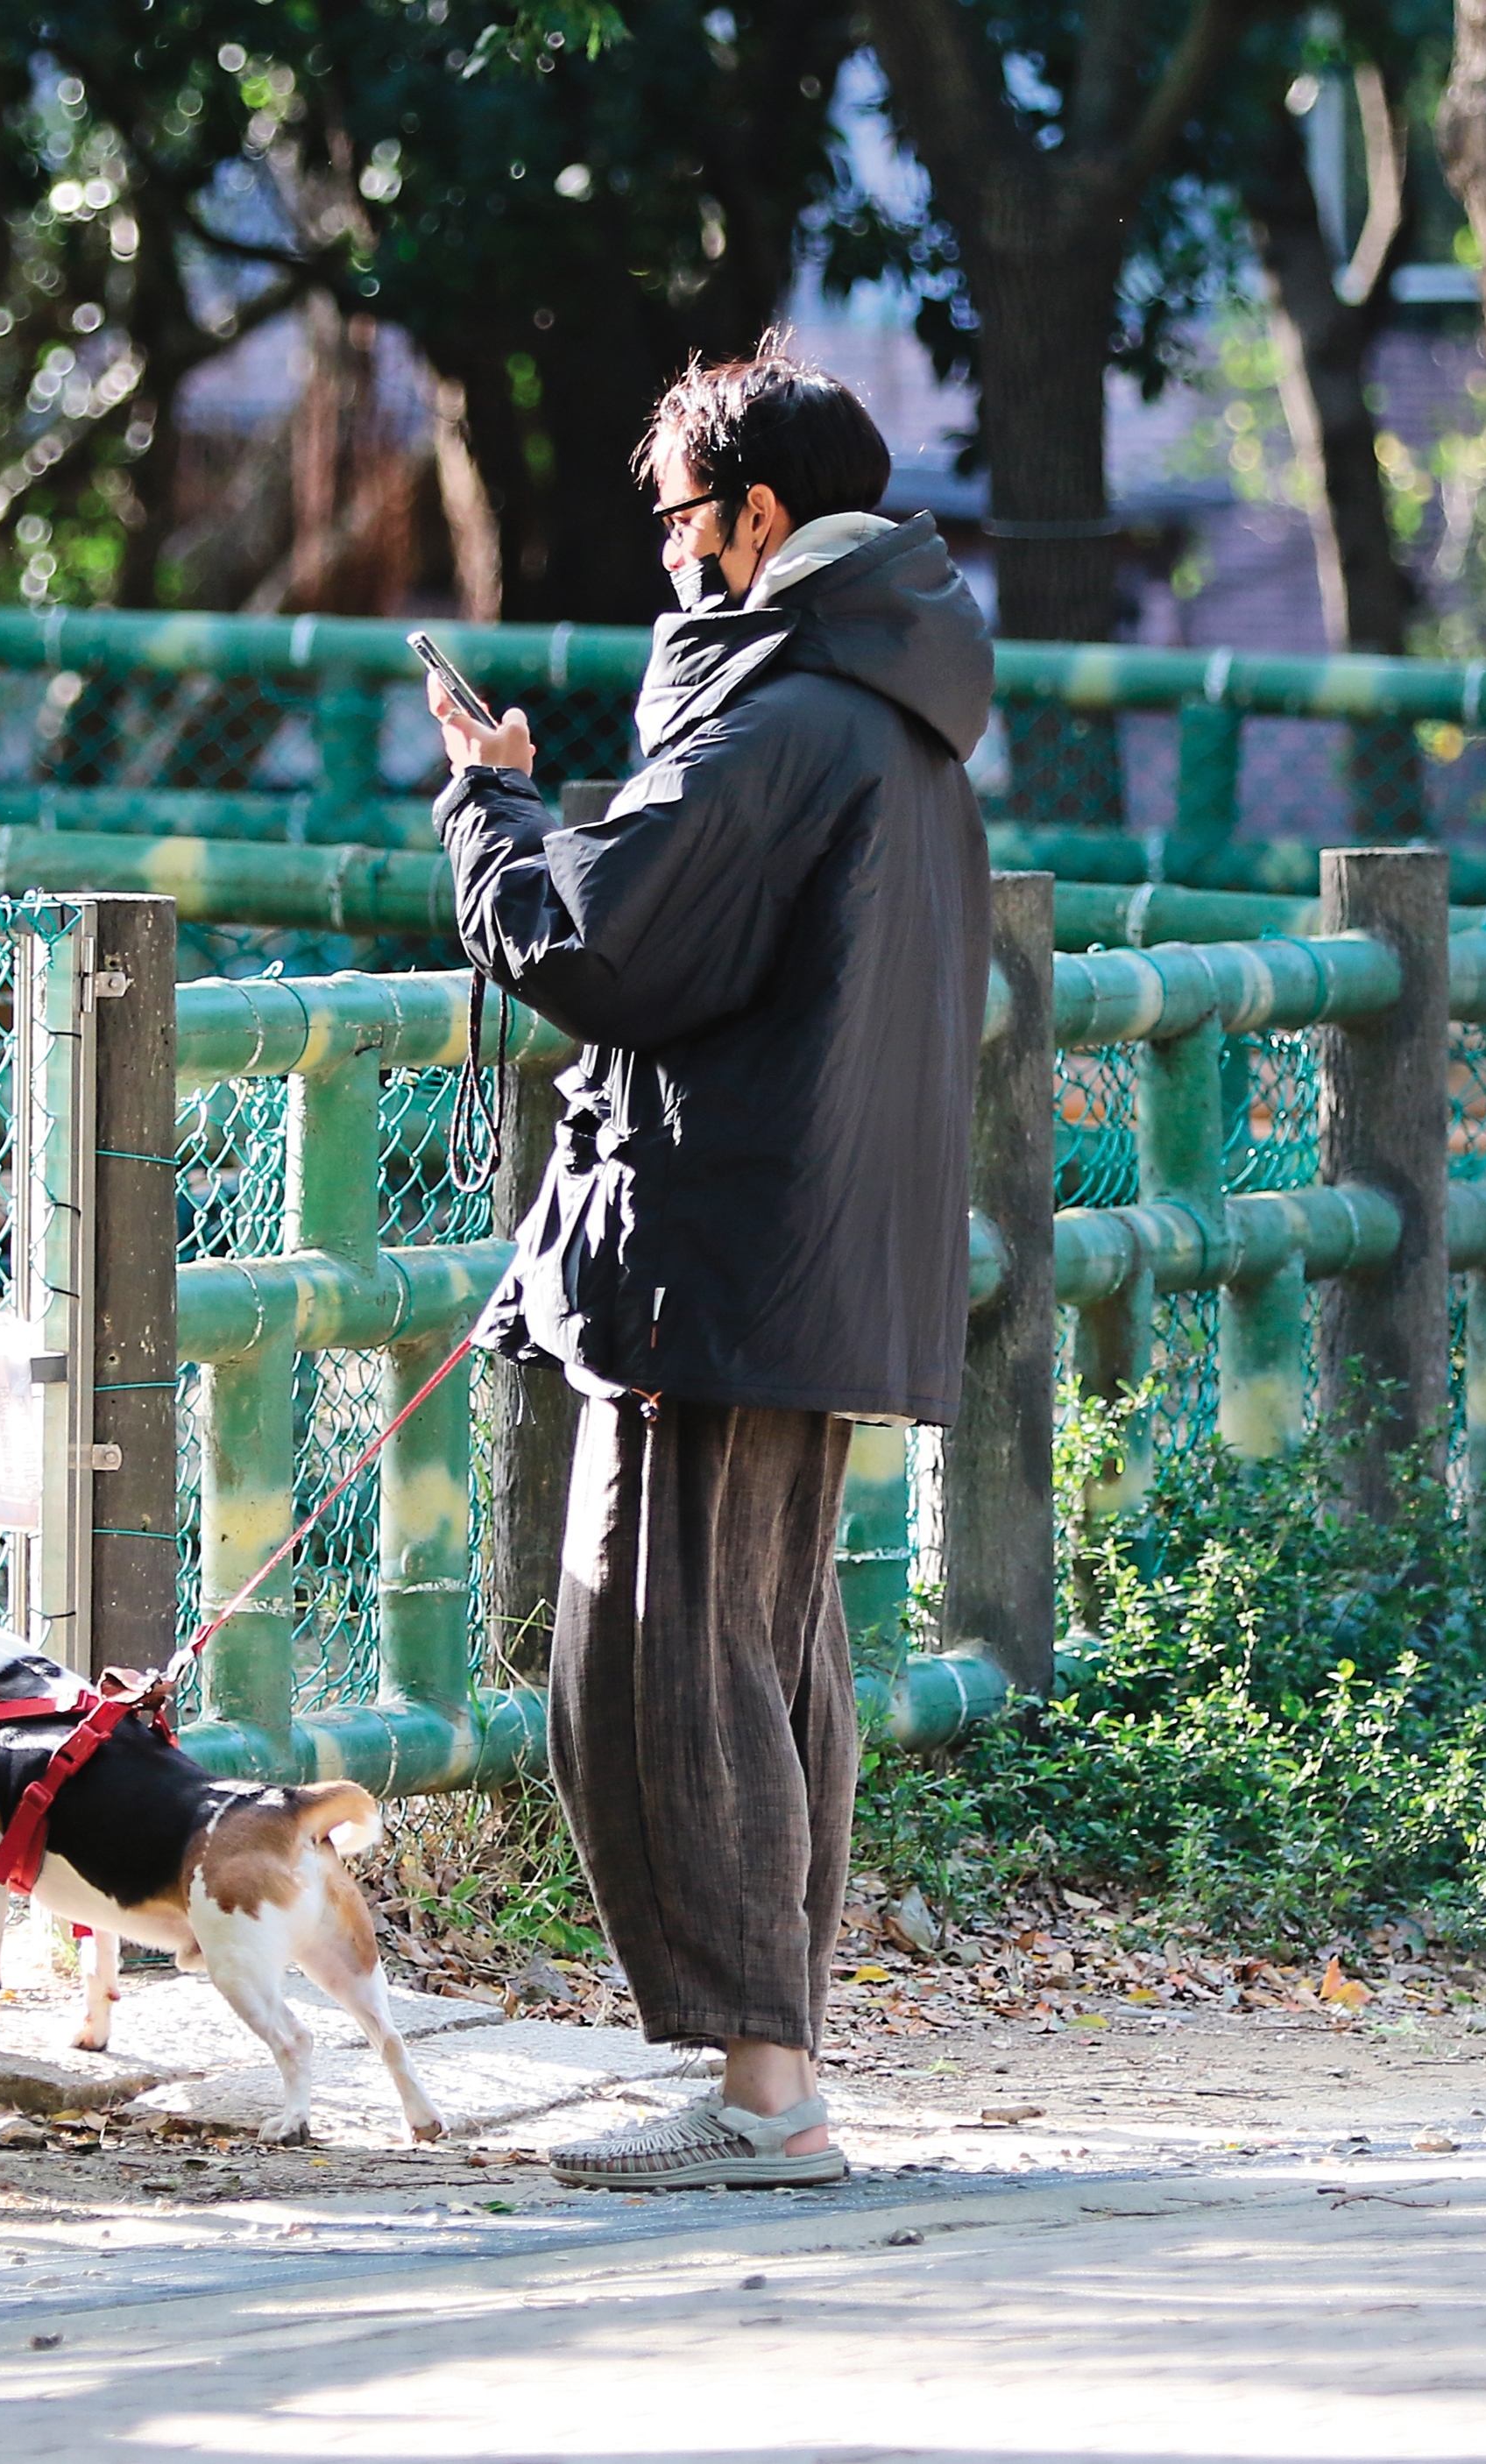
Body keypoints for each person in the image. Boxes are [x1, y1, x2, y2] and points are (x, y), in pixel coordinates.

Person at [424, 338, 994, 2190]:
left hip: (717, 1255)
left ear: (755, 516)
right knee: (762, 1650)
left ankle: (765, 2094)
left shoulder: (779, 718)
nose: (668, 555)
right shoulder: (882, 705)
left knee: (671, 1654)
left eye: (678, 518)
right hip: (808, 1249)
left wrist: (489, 816)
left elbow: (601, 946)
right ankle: (774, 2069)